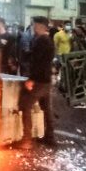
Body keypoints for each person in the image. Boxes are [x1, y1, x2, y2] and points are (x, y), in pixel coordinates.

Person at [14, 16, 55, 149]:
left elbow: (38, 63)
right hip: (46, 80)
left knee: (25, 105)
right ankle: (50, 137)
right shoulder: (47, 40)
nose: (33, 27)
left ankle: (27, 140)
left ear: (40, 26)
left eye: (35, 25)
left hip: (39, 81)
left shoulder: (41, 41)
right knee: (46, 109)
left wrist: (31, 79)